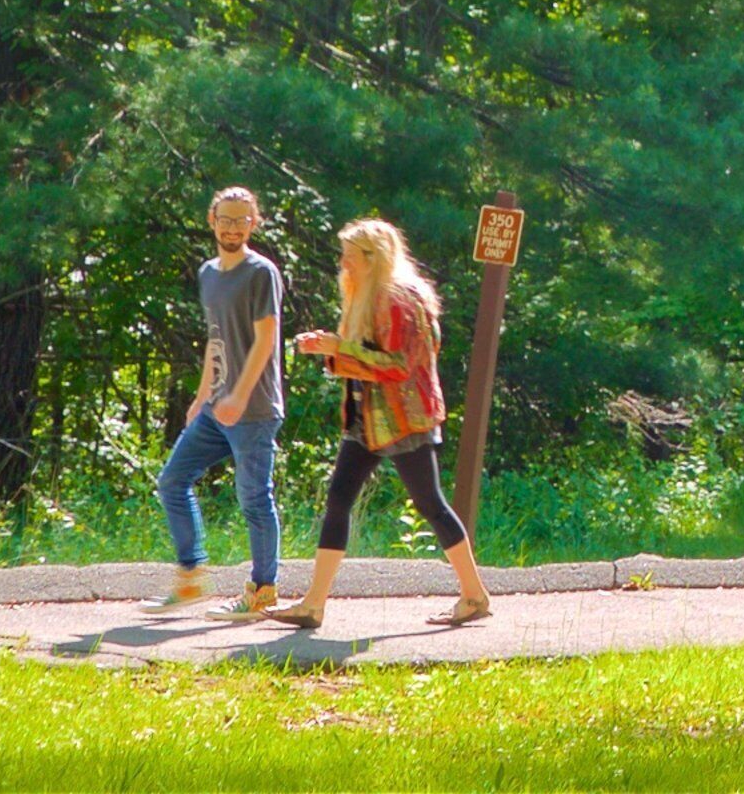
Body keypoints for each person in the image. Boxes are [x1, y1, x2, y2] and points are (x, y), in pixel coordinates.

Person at [269, 218, 491, 630]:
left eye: (349, 257)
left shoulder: (399, 299)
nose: (344, 264)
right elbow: (365, 357)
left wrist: (341, 348)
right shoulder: (369, 294)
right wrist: (330, 350)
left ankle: (475, 595)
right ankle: (313, 604)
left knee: (431, 505)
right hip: (366, 420)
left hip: (404, 419)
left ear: (373, 259)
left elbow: (399, 367)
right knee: (339, 498)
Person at [147, 187, 285, 616]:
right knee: (172, 482)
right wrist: (202, 395)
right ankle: (191, 579)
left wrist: (240, 396)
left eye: (241, 220)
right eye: (224, 219)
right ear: (212, 221)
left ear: (254, 223)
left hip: (254, 408)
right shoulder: (208, 272)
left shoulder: (261, 272)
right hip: (216, 409)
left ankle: (262, 592)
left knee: (254, 500)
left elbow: (266, 340)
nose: (231, 227)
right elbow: (216, 339)